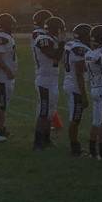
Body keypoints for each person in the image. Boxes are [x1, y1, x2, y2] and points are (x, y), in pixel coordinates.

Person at [33, 16, 66, 150]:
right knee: (44, 110)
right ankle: (38, 142)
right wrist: (63, 43)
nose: (61, 32)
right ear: (55, 29)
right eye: (60, 30)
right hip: (44, 79)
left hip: (51, 79)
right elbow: (54, 55)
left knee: (50, 112)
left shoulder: (51, 39)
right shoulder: (43, 39)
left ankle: (46, 139)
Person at [63, 24, 91, 156]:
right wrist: (84, 95)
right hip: (75, 86)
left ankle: (75, 146)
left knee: (75, 117)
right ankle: (75, 148)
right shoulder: (80, 49)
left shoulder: (70, 44)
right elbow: (80, 73)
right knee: (75, 118)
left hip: (69, 81)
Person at [0, 13, 18, 137]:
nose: (13, 26)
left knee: (4, 103)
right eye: (11, 23)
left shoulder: (5, 36)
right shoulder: (0, 37)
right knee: (2, 103)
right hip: (2, 77)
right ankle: (0, 129)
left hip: (5, 76)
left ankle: (2, 127)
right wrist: (7, 70)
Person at [86, 25, 102, 160]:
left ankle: (93, 151)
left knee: (96, 121)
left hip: (94, 88)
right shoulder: (101, 54)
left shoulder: (89, 53)